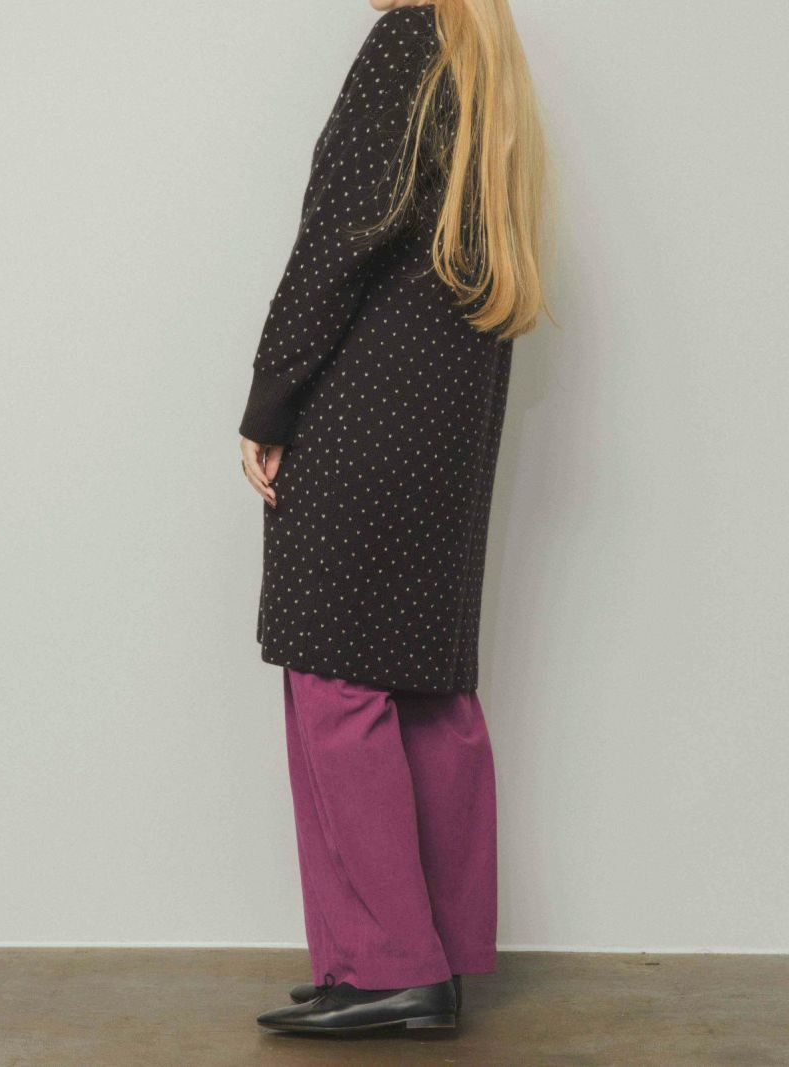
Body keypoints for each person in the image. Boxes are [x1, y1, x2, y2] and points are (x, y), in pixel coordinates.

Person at [238, 0, 548, 1036]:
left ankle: (387, 964)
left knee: (333, 670)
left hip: (368, 402)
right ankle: (429, 957)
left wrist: (269, 401)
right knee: (422, 679)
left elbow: (337, 238)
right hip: (451, 409)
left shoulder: (406, 39)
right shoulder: (485, 62)